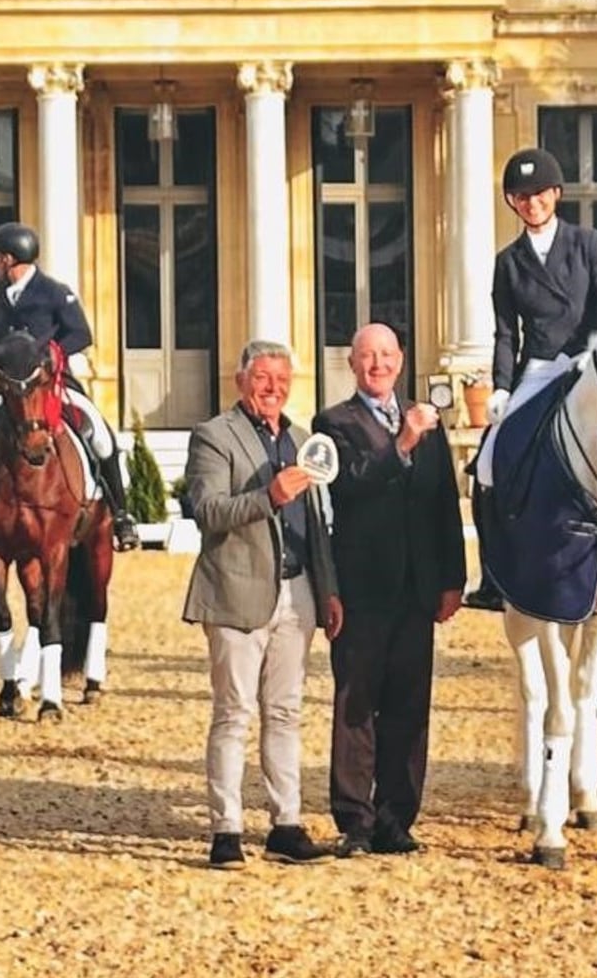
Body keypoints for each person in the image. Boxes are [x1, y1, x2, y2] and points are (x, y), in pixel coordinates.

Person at [179, 339, 338, 869]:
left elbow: (316, 524)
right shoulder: (212, 436)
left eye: (282, 379)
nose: (273, 388)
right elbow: (206, 509)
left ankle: (285, 823)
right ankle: (226, 829)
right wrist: (269, 496)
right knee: (233, 714)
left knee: (286, 713)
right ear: (241, 380)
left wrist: (328, 588)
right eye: (263, 377)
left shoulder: (301, 439)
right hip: (236, 591)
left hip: (297, 593)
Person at [313, 323, 466, 856]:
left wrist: (454, 578)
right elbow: (351, 483)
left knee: (408, 706)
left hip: (417, 589)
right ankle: (354, 819)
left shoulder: (427, 422)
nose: (377, 364)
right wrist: (401, 443)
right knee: (357, 704)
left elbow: (445, 501)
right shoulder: (334, 422)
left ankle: (396, 818)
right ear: (352, 364)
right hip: (363, 587)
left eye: (385, 355)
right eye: (366, 356)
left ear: (400, 362)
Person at [462, 147, 597, 611]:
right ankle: (493, 573)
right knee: (489, 462)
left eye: (538, 194)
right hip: (538, 367)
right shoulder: (509, 261)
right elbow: (504, 331)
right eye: (521, 196)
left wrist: (593, 357)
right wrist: (501, 386)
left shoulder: (587, 243)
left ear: (555, 194)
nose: (531, 203)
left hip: (587, 363)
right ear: (512, 202)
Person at [0, 221, 139, 556]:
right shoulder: (2, 296)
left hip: (56, 383)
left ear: (8, 259)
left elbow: (81, 334)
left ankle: (121, 514)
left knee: (102, 436)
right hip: (15, 390)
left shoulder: (53, 291)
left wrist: (50, 355)